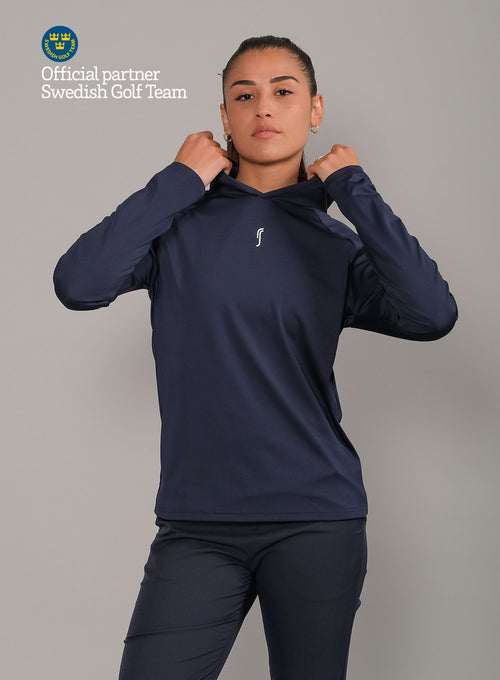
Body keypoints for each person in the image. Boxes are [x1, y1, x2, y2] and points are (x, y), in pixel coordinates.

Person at [53, 35, 458, 680]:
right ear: (224, 116)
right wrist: (178, 180)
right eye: (244, 96)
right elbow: (78, 283)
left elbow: (432, 314)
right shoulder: (177, 228)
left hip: (316, 519)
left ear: (315, 110)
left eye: (283, 92)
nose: (263, 107)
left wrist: (355, 190)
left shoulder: (335, 245)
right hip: (198, 523)